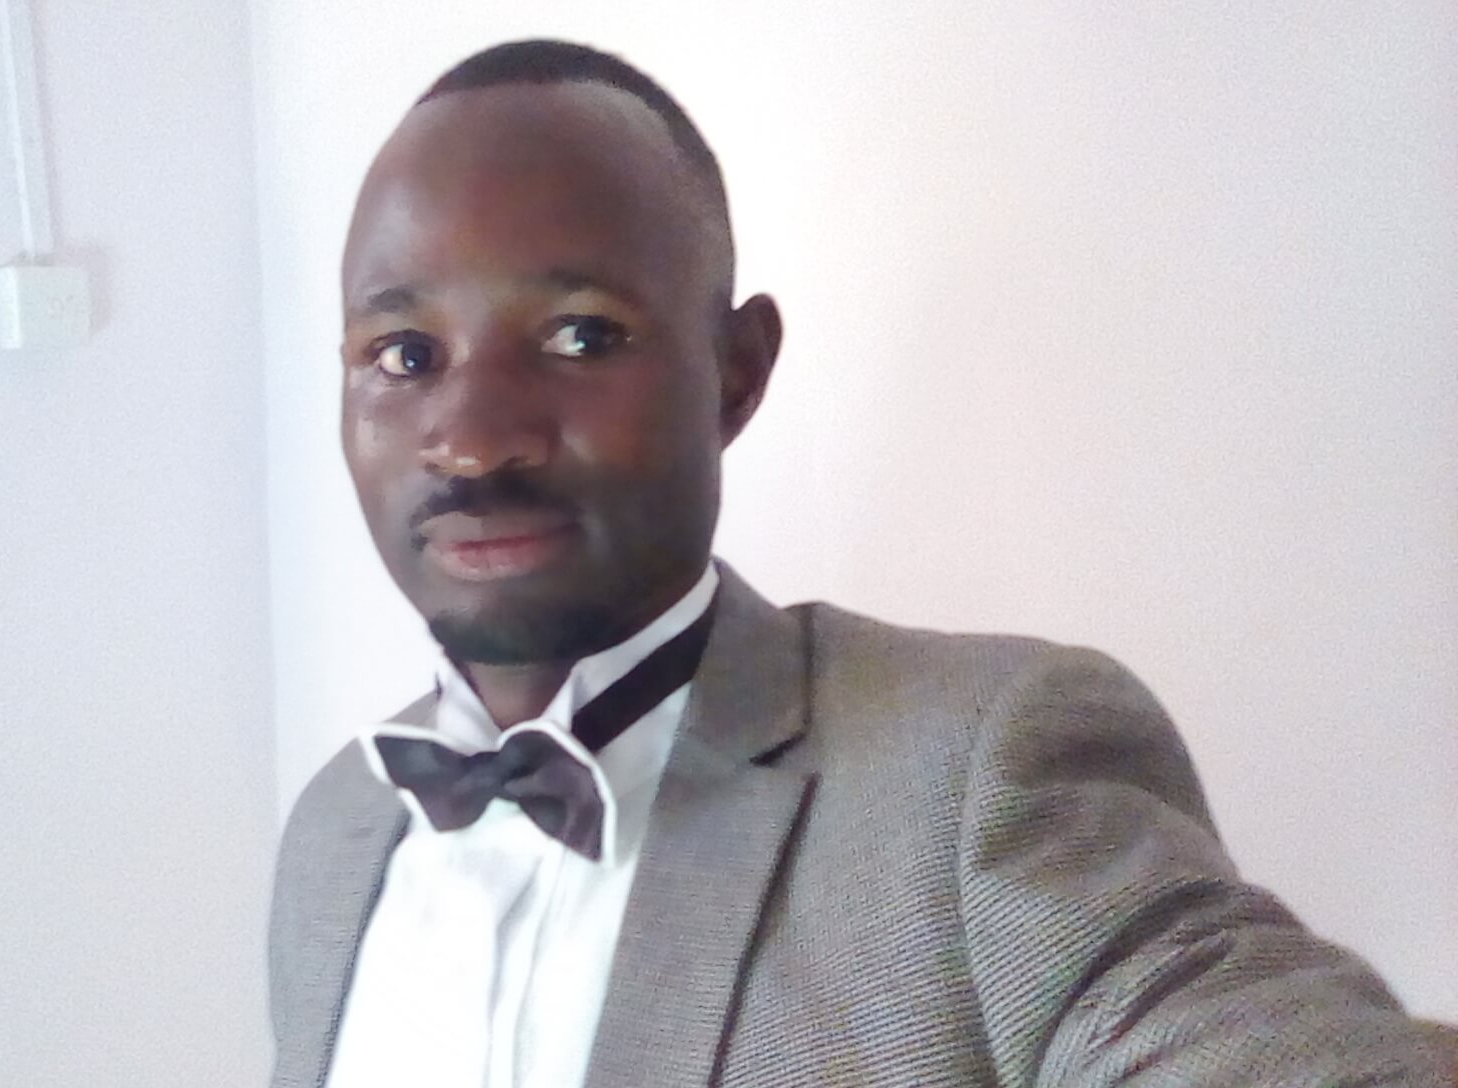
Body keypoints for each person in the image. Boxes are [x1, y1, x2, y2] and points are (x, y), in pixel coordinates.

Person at [266, 39, 1455, 1088]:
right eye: (403, 351)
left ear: (736, 372)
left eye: (582, 335)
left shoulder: (982, 769)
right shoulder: (335, 834)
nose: (475, 440)